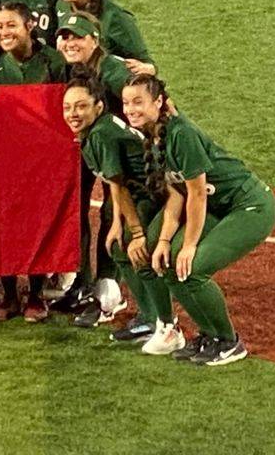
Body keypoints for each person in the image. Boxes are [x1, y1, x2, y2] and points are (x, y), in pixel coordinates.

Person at [123, 75, 275, 365]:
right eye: (126, 103)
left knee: (192, 268)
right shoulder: (155, 138)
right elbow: (176, 196)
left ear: (158, 102)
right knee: (169, 263)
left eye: (138, 102)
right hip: (217, 209)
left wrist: (189, 244)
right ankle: (209, 334)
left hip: (249, 207)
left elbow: (197, 193)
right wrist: (166, 240)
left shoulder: (182, 134)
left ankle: (230, 342)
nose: (130, 109)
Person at [62, 77, 174, 348]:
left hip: (149, 196)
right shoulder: (99, 128)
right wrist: (117, 223)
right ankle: (150, 316)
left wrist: (133, 230)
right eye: (67, 107)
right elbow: (116, 183)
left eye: (80, 106)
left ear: (98, 107)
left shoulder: (100, 134)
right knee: (118, 248)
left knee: (134, 251)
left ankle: (160, 320)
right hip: (139, 193)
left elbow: (120, 185)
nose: (73, 114)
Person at [0, 2, 65, 323]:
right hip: (2, 155)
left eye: (11, 25)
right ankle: (10, 294)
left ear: (29, 26)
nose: (4, 33)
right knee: (5, 222)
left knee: (39, 221)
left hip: (42, 156)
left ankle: (37, 294)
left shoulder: (52, 60)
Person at [54, 11, 134, 325]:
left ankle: (108, 289)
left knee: (115, 216)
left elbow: (144, 96)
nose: (71, 43)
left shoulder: (112, 70)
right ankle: (85, 282)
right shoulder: (74, 67)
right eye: (66, 36)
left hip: (124, 159)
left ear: (95, 40)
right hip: (94, 149)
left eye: (78, 37)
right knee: (77, 209)